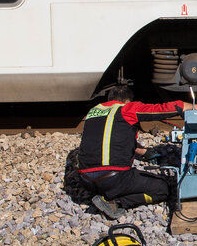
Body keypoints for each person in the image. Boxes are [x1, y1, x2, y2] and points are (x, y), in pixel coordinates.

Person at [77, 88, 189, 219]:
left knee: (112, 180)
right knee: (163, 188)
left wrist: (144, 152)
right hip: (114, 178)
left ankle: (104, 193)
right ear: (127, 101)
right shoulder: (125, 109)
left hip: (86, 180)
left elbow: (113, 137)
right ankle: (115, 203)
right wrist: (184, 106)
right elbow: (158, 109)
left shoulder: (94, 111)